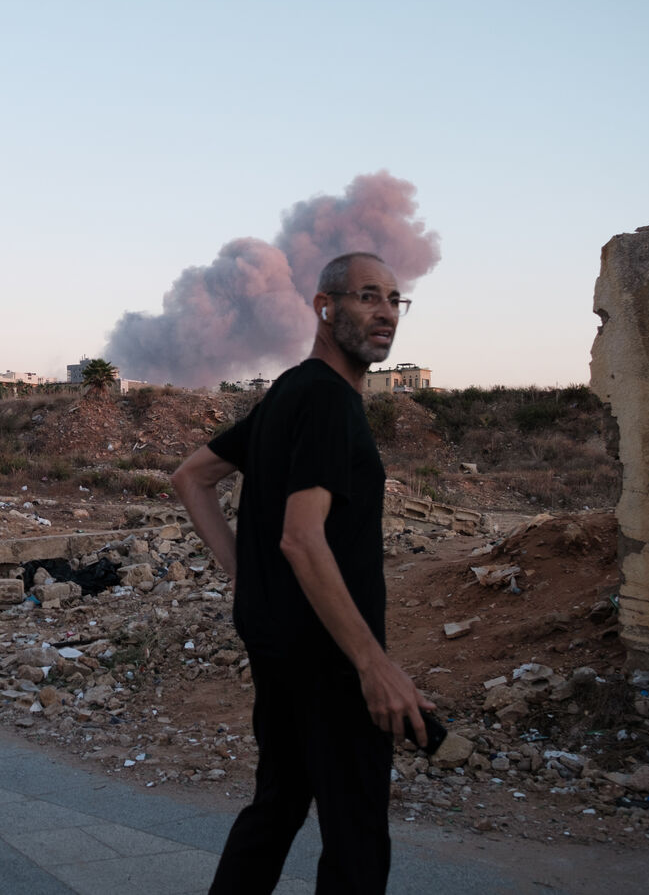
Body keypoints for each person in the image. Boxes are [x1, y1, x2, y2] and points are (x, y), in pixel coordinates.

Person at [170, 252, 434, 894]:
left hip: (280, 647)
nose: (385, 312)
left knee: (278, 806)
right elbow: (301, 537)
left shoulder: (290, 390)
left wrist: (244, 573)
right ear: (324, 307)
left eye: (393, 299)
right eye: (367, 296)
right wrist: (373, 665)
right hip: (329, 656)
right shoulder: (326, 400)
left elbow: (191, 477)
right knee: (356, 837)